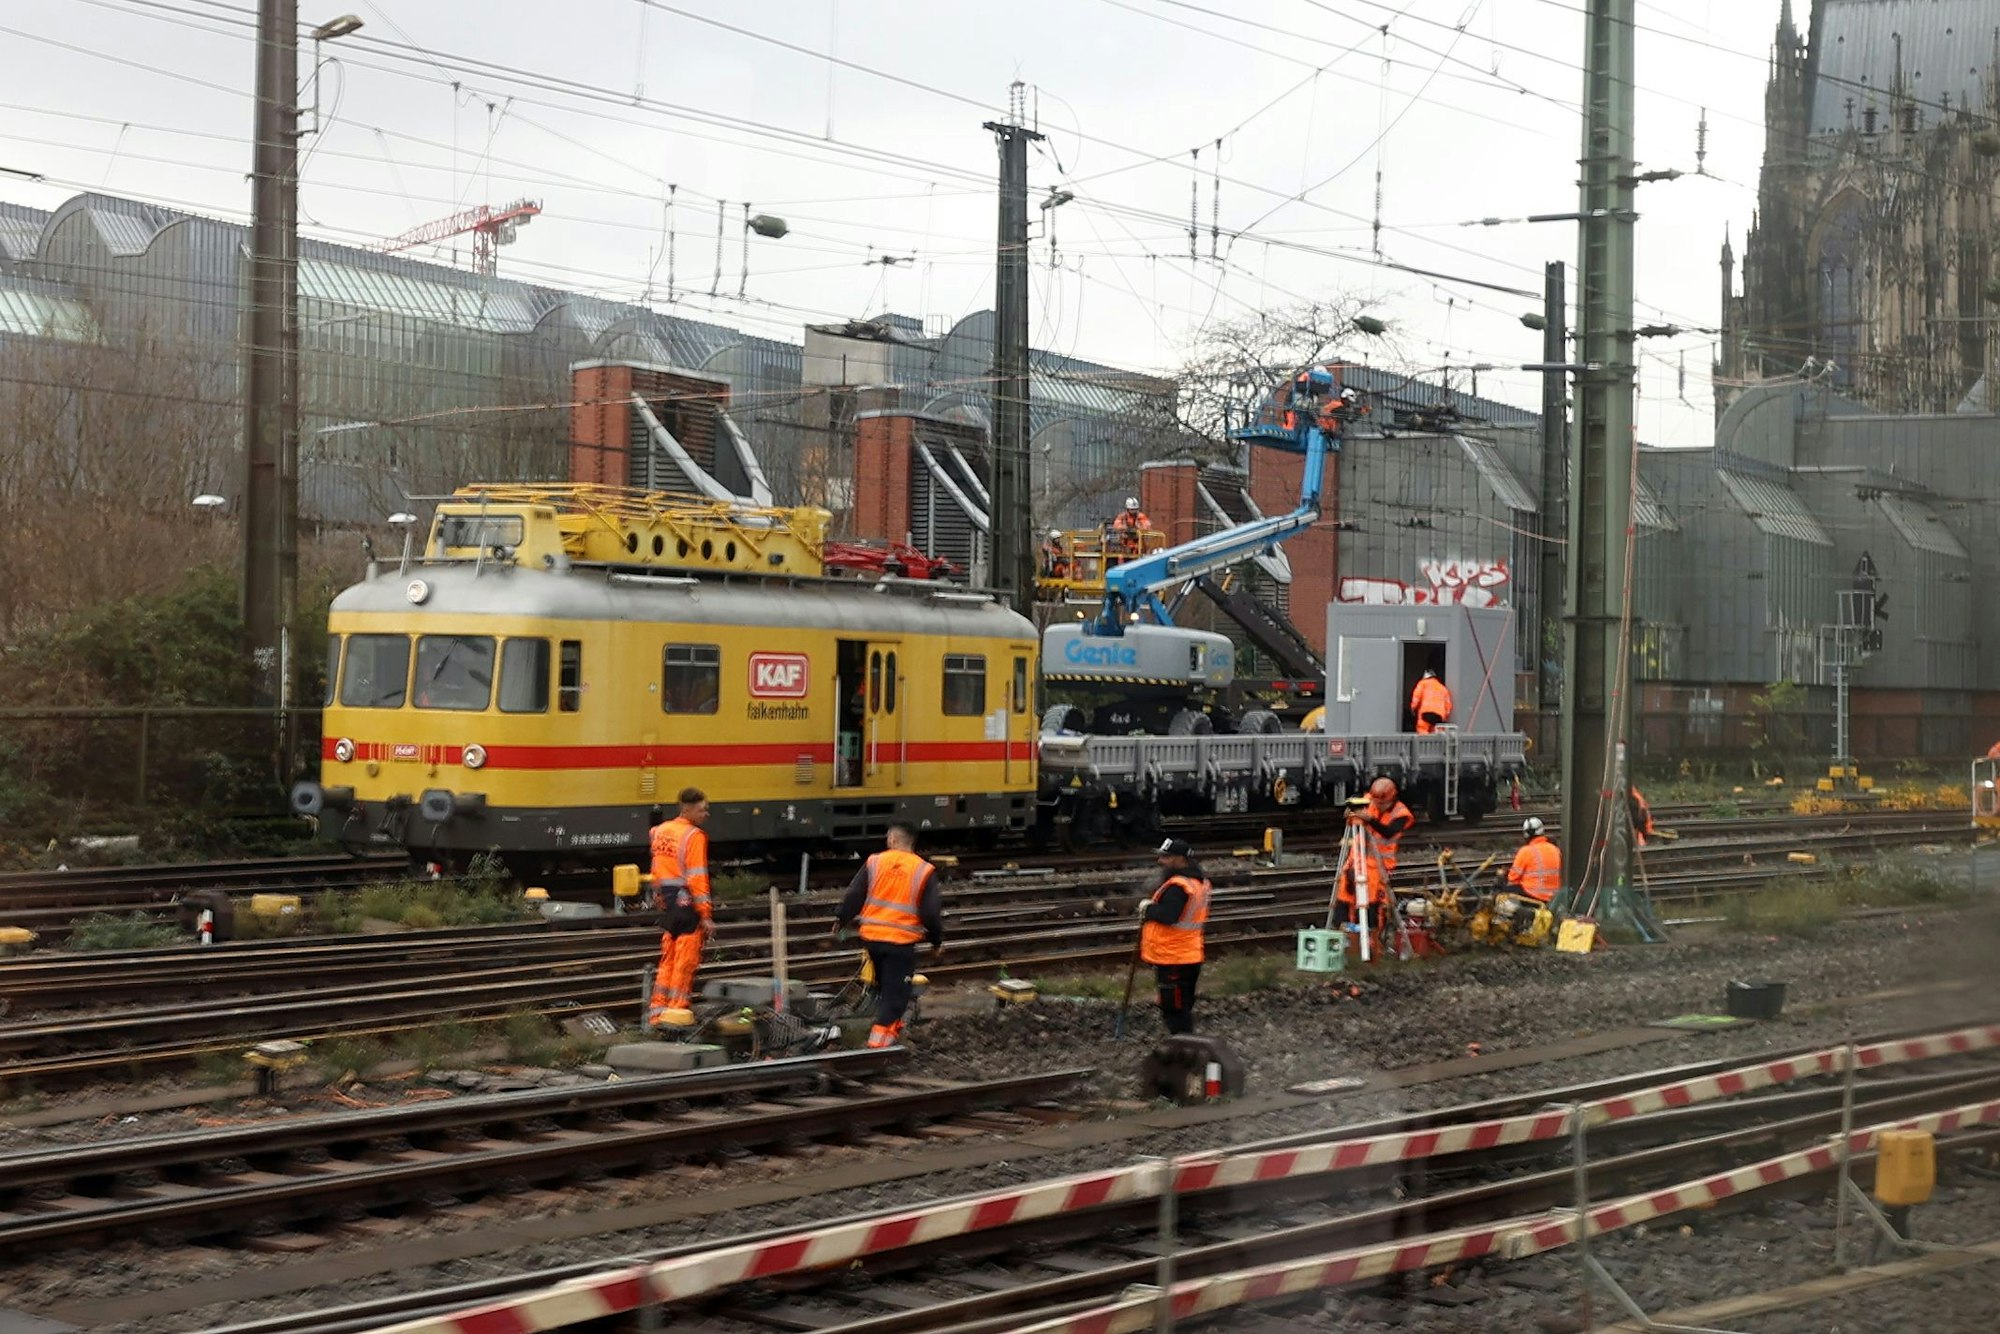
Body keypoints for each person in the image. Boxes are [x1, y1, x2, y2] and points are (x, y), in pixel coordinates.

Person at [835, 824, 943, 1048]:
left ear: (893, 839)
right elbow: (931, 913)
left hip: (872, 940)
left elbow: (855, 894)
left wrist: (841, 919)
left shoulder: (875, 862)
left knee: (887, 989)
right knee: (895, 998)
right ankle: (877, 1048)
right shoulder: (923, 870)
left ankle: (891, 1035)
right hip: (900, 943)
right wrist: (936, 942)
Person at [646, 787, 713, 1028]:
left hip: (668, 901)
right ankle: (676, 1011)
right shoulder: (694, 836)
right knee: (685, 960)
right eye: (701, 810)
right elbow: (697, 877)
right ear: (687, 809)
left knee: (668, 959)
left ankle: (657, 1012)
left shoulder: (660, 831)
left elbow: (656, 867)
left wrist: (658, 894)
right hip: (687, 904)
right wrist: (705, 914)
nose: (706, 814)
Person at [1138, 837, 1211, 1035]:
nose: (1161, 861)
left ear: (1181, 859)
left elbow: (1169, 916)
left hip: (1173, 956)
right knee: (1183, 1005)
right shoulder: (1198, 883)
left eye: (1166, 857)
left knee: (1174, 1007)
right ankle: (1185, 1044)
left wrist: (1148, 909)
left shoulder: (1179, 886)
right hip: (1189, 954)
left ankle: (1184, 1048)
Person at [1336, 777, 1414, 930]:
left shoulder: (1401, 814)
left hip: (1379, 864)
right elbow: (1354, 812)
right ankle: (1343, 928)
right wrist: (1350, 814)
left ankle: (1369, 932)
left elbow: (1388, 832)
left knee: (1369, 896)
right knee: (1344, 892)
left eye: (1381, 803)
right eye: (1375, 801)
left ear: (1392, 799)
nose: (1377, 805)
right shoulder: (1369, 800)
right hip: (1357, 859)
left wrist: (1370, 820)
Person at [1507, 816, 1562, 903]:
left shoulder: (1525, 851)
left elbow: (1512, 879)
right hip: (1555, 898)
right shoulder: (1556, 849)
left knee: (1503, 893)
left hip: (1532, 897)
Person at [1410, 668, 1453, 734]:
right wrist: (1444, 717)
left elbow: (1416, 697)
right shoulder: (1443, 688)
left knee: (1422, 732)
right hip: (1439, 715)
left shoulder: (1422, 683)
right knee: (1437, 735)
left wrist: (1413, 708)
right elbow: (1448, 706)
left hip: (1425, 713)